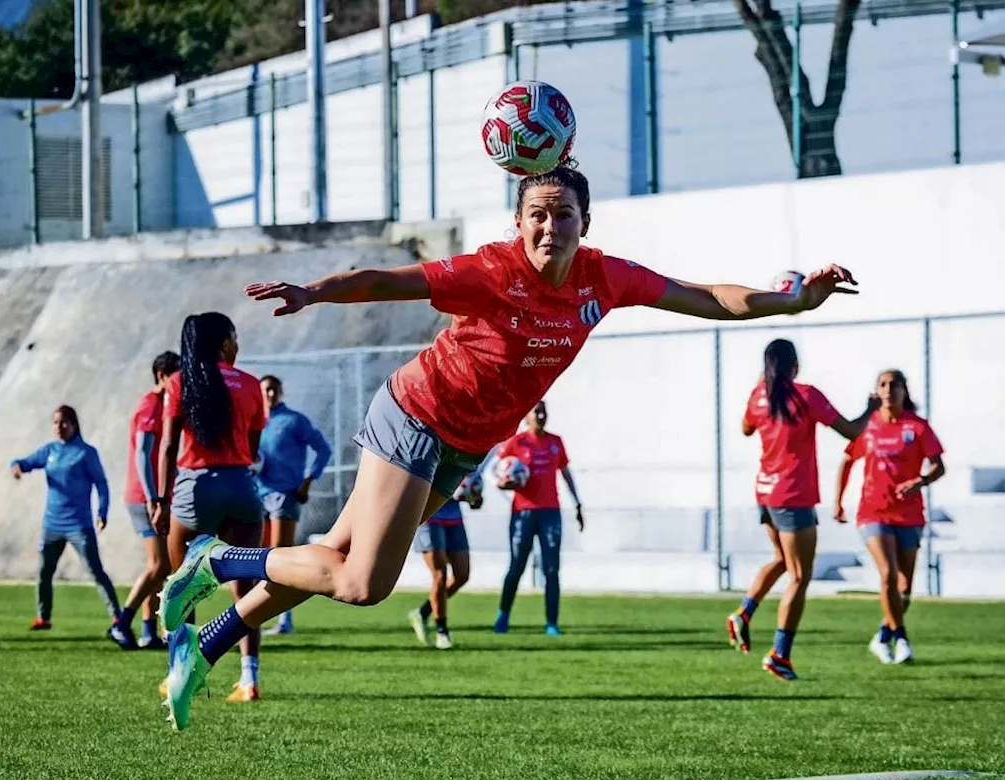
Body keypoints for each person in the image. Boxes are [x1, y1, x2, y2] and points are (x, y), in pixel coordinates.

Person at [158, 163, 859, 730]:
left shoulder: (605, 277)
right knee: (361, 583)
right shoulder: (493, 269)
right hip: (417, 412)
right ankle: (215, 559)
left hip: (466, 444)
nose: (550, 225)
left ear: (586, 224)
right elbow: (389, 282)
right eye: (538, 214)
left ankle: (201, 645)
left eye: (564, 214)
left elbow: (704, 295)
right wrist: (315, 292)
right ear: (519, 222)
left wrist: (789, 303)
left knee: (323, 563)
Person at [726, 339, 876, 681]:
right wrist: (870, 408)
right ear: (794, 365)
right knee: (799, 575)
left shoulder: (757, 395)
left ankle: (744, 613)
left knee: (782, 560)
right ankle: (780, 654)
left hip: (764, 493)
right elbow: (851, 431)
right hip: (794, 496)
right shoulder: (806, 396)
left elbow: (746, 429)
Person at [154, 312, 267, 704]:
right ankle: (249, 679)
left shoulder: (179, 381)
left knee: (181, 589)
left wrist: (160, 500)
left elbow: (168, 447)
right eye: (235, 338)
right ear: (224, 344)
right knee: (246, 589)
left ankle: (179, 676)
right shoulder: (251, 384)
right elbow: (252, 450)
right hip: (240, 486)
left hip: (194, 488)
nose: (238, 345)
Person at [834, 369, 945, 665]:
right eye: (882, 384)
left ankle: (883, 635)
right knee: (887, 574)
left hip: (909, 515)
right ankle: (902, 639)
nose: (887, 389)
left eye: (894, 385)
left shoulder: (917, 427)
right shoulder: (867, 426)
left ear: (904, 390)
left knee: (905, 586)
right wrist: (839, 502)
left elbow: (938, 466)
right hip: (873, 512)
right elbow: (847, 460)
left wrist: (919, 481)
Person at [11, 406, 127, 646]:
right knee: (44, 573)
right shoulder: (50, 451)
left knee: (95, 571)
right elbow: (25, 461)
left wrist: (102, 512)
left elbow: (101, 484)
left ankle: (118, 618)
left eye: (64, 422)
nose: (59, 427)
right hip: (52, 524)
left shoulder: (85, 453)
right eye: (55, 422)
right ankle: (44, 617)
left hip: (79, 524)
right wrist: (16, 466)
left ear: (74, 424)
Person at [492, 401, 583, 636]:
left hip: (550, 513)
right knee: (517, 566)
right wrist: (504, 483)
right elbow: (497, 473)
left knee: (551, 569)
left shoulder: (555, 442)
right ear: (527, 416)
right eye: (536, 411)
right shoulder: (516, 442)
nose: (541, 415)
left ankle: (551, 623)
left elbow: (565, 473)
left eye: (543, 411)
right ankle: (503, 615)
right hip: (523, 513)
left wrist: (578, 503)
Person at [253, 374, 332, 637]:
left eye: (274, 390)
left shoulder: (294, 420)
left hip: (285, 494)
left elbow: (323, 449)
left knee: (280, 556)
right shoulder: (253, 421)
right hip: (256, 494)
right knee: (258, 557)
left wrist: (309, 480)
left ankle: (284, 620)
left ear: (281, 391)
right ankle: (257, 614)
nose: (270, 395)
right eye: (266, 390)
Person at [112, 351, 180, 650]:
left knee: (161, 566)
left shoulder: (164, 404)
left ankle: (148, 630)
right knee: (159, 565)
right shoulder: (151, 404)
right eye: (176, 375)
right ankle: (121, 623)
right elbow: (142, 452)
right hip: (146, 497)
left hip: (155, 496)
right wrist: (154, 497)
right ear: (162, 375)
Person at [406, 451, 495, 649]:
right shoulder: (431, 450)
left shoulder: (464, 452)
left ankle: (422, 613)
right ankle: (442, 632)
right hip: (430, 516)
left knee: (462, 575)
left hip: (454, 516)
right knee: (440, 575)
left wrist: (473, 497)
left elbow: (469, 493)